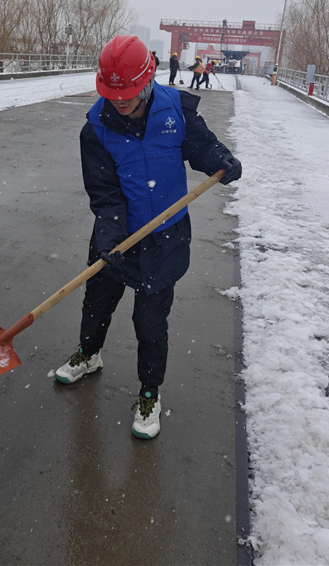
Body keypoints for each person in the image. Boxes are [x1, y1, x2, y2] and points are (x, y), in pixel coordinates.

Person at [55, 36, 241, 439]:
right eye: (112, 93)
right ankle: (89, 355)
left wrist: (220, 158)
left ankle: (149, 393)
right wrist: (109, 237)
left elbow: (201, 147)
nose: (119, 102)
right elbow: (105, 194)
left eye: (127, 94)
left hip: (165, 237)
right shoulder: (97, 129)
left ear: (147, 81)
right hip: (117, 233)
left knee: (151, 321)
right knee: (97, 302)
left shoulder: (176, 109)